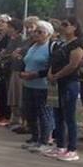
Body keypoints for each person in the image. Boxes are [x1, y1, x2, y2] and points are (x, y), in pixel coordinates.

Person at [45, 17, 83, 161]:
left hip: (69, 83)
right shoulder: (61, 43)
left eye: (66, 25)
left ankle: (72, 148)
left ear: (74, 27)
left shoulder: (77, 44)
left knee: (69, 116)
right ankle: (60, 145)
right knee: (58, 115)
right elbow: (54, 60)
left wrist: (57, 75)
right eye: (62, 24)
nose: (63, 27)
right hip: (57, 83)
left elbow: (73, 65)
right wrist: (50, 72)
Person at [20, 21, 54, 154]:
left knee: (44, 114)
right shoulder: (33, 46)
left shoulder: (50, 47)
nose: (37, 34)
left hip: (43, 86)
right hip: (28, 85)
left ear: (48, 34)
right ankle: (35, 137)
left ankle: (45, 140)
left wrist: (35, 74)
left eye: (41, 32)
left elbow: (51, 67)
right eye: (36, 31)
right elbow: (27, 61)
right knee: (30, 112)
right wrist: (24, 72)